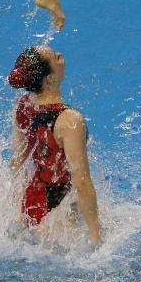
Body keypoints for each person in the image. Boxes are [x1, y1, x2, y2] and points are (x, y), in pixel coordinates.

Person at [8, 46, 101, 245]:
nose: (60, 55)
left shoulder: (24, 106)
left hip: (32, 202)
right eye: (55, 57)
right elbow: (82, 182)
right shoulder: (70, 120)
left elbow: (17, 163)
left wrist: (14, 207)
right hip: (59, 210)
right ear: (49, 79)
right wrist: (97, 239)